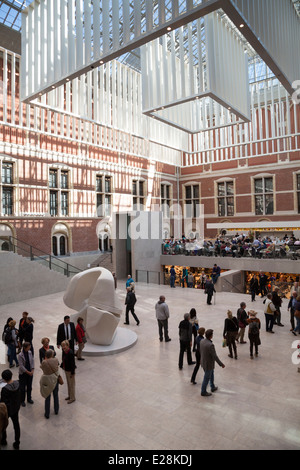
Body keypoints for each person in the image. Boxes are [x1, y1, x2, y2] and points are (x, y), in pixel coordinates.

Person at [0, 369, 21, 450]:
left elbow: (3, 402)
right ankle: (17, 442)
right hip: (15, 408)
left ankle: (3, 440)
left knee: (4, 424)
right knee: (16, 425)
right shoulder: (17, 383)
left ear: (4, 379)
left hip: (7, 410)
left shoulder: (5, 390)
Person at [200, 329, 225, 397]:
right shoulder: (210, 345)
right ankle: (203, 391)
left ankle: (212, 386)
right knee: (206, 378)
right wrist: (221, 364)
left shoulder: (202, 341)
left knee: (211, 374)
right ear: (211, 336)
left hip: (203, 362)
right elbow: (215, 356)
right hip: (209, 364)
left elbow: (201, 351)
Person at [40, 349, 60, 419]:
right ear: (51, 355)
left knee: (47, 397)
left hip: (47, 381)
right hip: (55, 380)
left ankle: (47, 414)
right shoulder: (56, 360)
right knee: (56, 395)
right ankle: (56, 410)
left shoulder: (44, 362)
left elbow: (42, 368)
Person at [18, 342, 34, 407]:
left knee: (29, 386)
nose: (30, 348)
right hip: (23, 374)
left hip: (30, 373)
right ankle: (22, 400)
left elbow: (32, 361)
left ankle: (29, 398)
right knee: (22, 388)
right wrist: (28, 372)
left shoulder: (30, 352)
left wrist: (32, 369)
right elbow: (21, 366)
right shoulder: (20, 355)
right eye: (28, 347)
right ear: (25, 348)